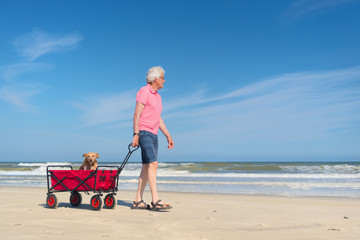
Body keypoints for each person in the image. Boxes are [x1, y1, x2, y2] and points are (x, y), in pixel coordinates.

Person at [131, 66, 174, 211]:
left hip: (154, 134)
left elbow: (158, 118)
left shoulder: (157, 96)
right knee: (153, 164)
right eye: (162, 77)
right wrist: (136, 134)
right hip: (144, 133)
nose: (164, 80)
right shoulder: (144, 91)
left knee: (146, 166)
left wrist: (168, 135)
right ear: (155, 79)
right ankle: (155, 200)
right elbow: (137, 114)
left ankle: (137, 200)